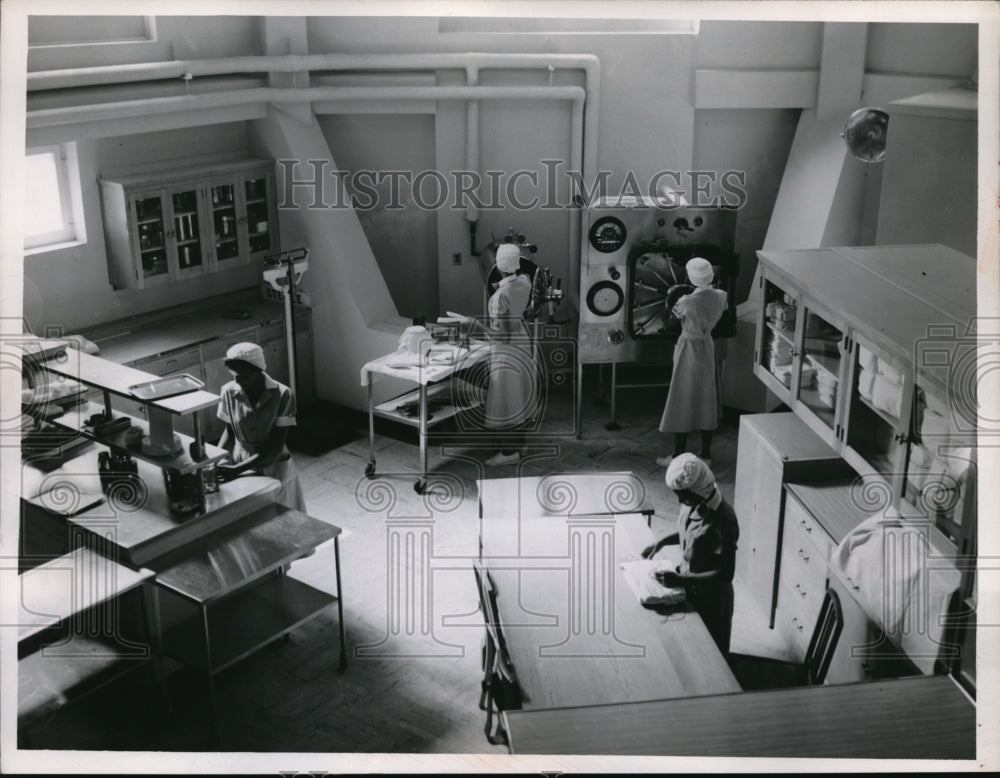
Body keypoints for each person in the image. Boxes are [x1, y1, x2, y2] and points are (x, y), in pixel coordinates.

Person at [642, 454, 739, 656]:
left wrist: (680, 579)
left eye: (683, 495)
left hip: (712, 598)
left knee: (711, 655)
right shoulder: (693, 502)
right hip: (689, 588)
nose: (679, 500)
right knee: (690, 646)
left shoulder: (722, 522)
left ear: (699, 490)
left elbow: (725, 573)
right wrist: (660, 542)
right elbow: (690, 533)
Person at [457, 243, 537, 467]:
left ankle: (509, 452)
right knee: (519, 396)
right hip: (522, 343)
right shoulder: (525, 282)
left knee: (507, 400)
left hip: (507, 351)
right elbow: (515, 310)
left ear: (497, 265)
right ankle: (521, 444)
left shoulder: (499, 297)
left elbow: (502, 336)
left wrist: (474, 324)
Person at [215, 342, 307, 512]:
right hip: (240, 460)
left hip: (274, 464)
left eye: (244, 376)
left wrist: (236, 470)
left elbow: (276, 445)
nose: (238, 381)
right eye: (234, 376)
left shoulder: (283, 394)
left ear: (259, 371)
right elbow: (229, 431)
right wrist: (215, 460)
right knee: (250, 516)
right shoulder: (228, 391)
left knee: (282, 514)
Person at [656, 256, 727, 467]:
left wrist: (671, 298)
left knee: (683, 396)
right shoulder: (721, 296)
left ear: (689, 276)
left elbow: (669, 322)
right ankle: (706, 454)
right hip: (707, 345)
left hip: (689, 347)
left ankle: (678, 455)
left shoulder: (687, 301)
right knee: (707, 396)